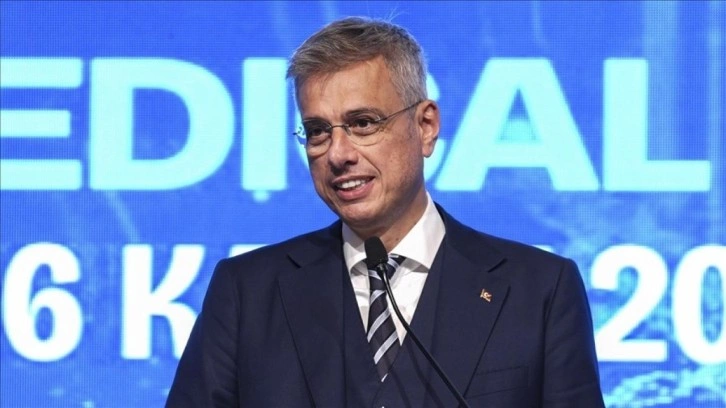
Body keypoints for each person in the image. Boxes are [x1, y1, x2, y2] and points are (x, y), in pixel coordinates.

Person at [167, 16, 605, 407]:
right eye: (318, 131)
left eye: (363, 123)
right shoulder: (248, 292)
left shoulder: (539, 290)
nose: (338, 154)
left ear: (426, 127)